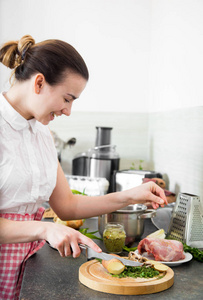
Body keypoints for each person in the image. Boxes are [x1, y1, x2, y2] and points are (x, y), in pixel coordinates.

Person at [0, 35, 168, 300]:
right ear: (40, 82)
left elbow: (67, 206)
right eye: (68, 99)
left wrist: (131, 194)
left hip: (27, 264)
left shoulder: (43, 134)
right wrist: (45, 229)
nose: (68, 111)